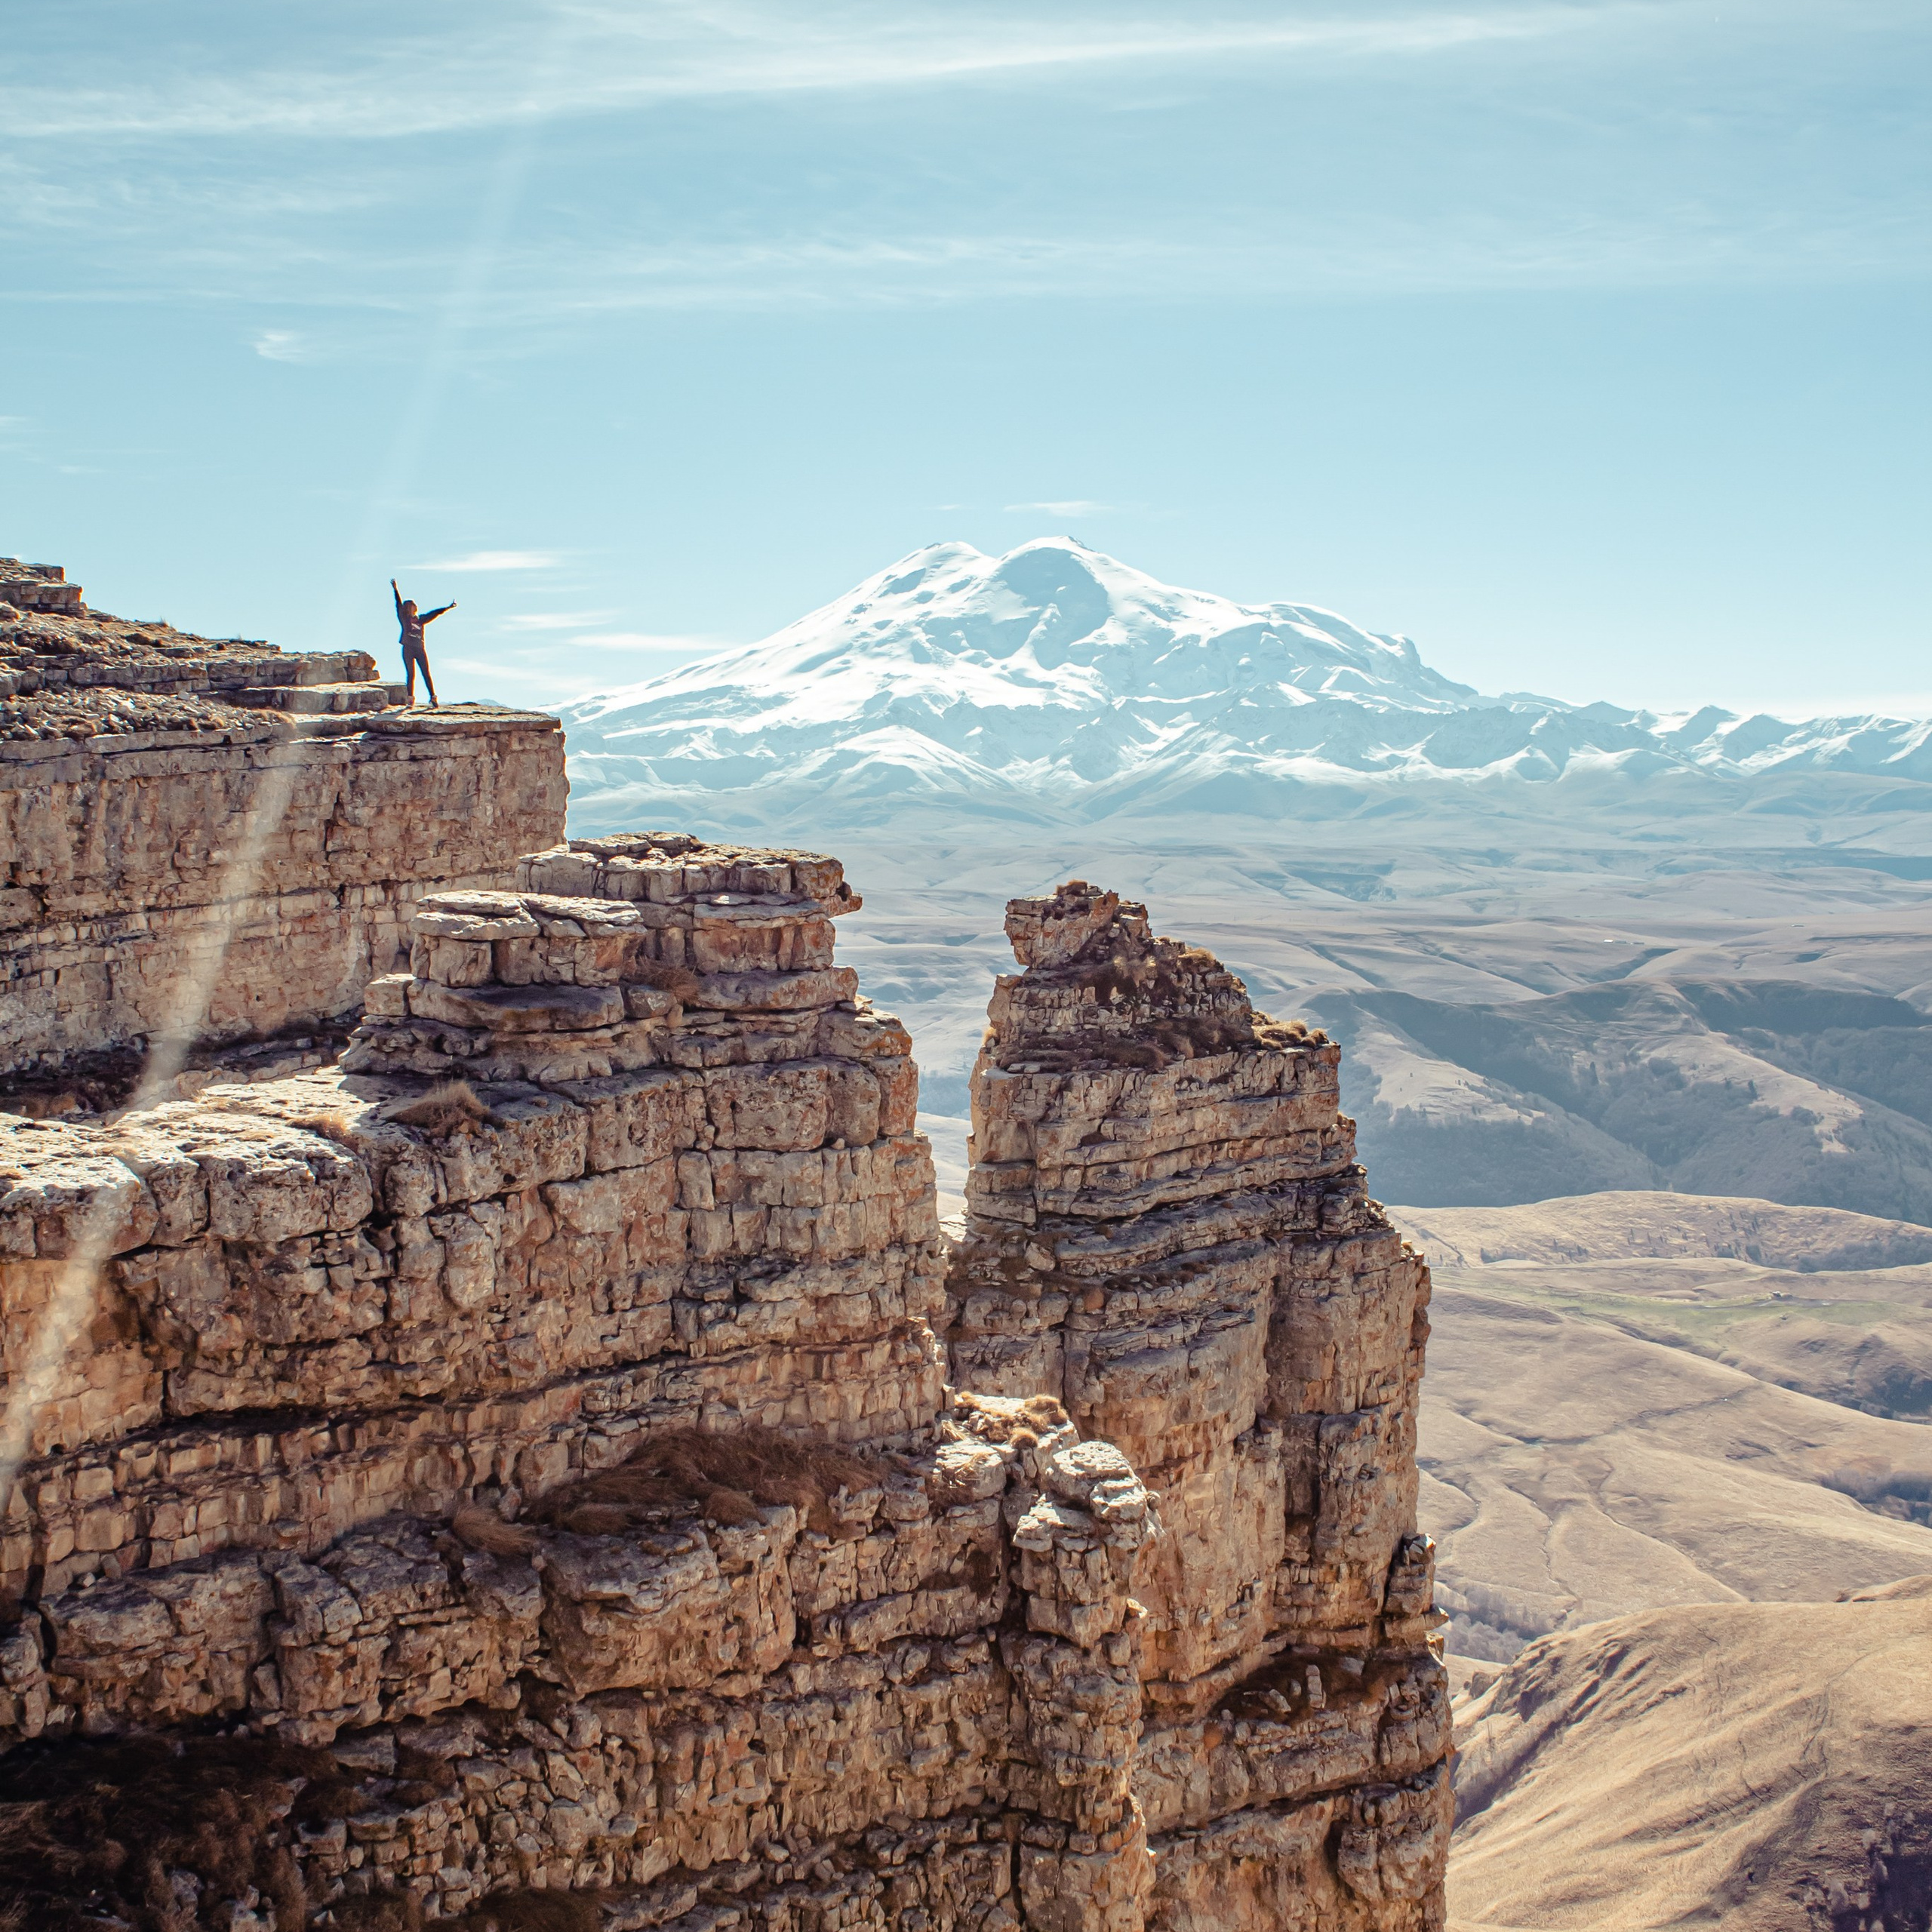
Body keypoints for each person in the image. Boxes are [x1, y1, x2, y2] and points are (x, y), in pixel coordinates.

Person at [391, 579, 455, 706]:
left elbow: (434, 614)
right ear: (410, 608)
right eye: (414, 605)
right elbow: (398, 604)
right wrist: (396, 590)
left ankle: (433, 697)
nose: (416, 607)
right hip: (408, 648)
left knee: (426, 673)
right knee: (411, 674)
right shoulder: (404, 618)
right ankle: (410, 699)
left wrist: (447, 608)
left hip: (420, 649)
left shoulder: (421, 619)